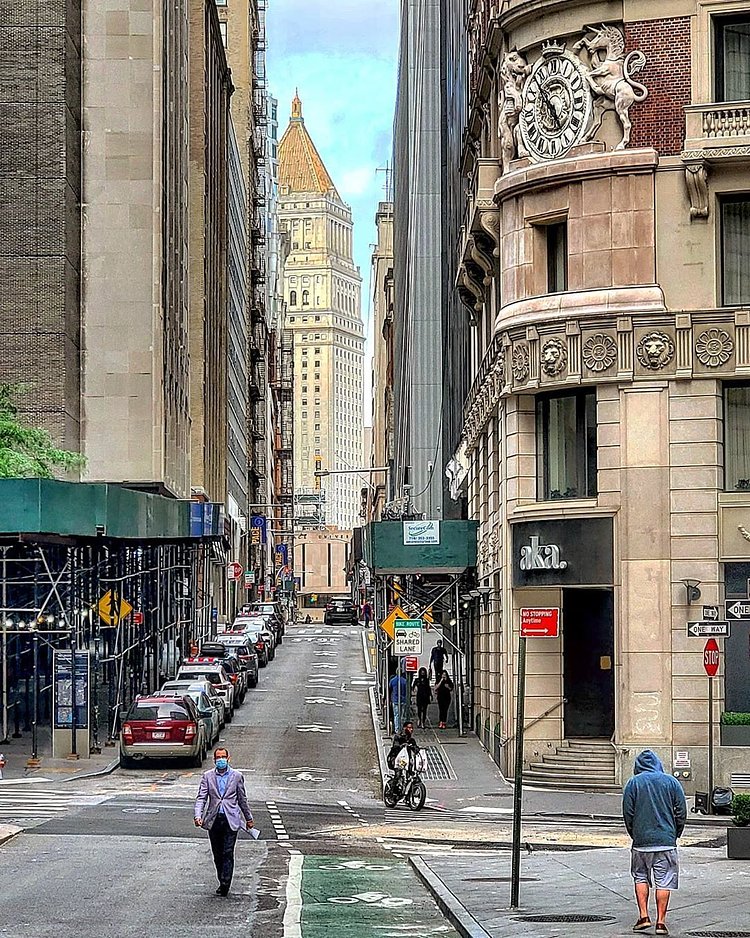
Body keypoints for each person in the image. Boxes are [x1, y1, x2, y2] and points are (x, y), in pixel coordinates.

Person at [623, 750, 687, 936]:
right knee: (664, 880)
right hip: (666, 841)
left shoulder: (633, 783)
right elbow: (681, 811)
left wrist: (634, 833)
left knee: (640, 876)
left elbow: (628, 812)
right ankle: (661, 922)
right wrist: (675, 833)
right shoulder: (671, 782)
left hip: (641, 841)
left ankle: (643, 917)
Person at [194, 747, 255, 896]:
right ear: (214, 760)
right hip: (214, 820)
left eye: (223, 757)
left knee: (228, 851)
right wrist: (198, 815)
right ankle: (222, 878)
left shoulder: (237, 776)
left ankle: (225, 883)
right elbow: (201, 798)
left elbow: (242, 799)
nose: (220, 760)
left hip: (231, 819)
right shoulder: (207, 776)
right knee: (217, 853)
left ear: (228, 759)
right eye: (218, 757)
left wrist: (249, 818)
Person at [389, 668, 408, 733]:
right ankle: (402, 729)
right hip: (403, 700)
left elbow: (390, 688)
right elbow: (407, 691)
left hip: (395, 700)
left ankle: (397, 729)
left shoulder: (392, 680)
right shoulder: (405, 681)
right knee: (402, 716)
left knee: (396, 715)